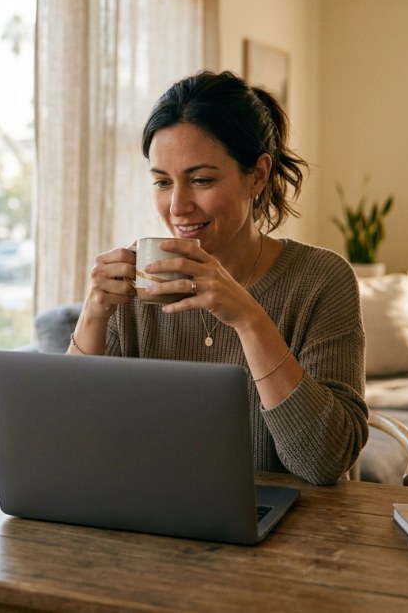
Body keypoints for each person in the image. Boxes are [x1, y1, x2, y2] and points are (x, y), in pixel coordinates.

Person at [67, 70, 368, 485]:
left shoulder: (322, 280)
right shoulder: (138, 287)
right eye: (162, 182)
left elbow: (324, 460)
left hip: (290, 534)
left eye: (201, 180)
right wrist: (94, 315)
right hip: (151, 523)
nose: (176, 207)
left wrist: (248, 318)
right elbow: (70, 441)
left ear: (258, 175)